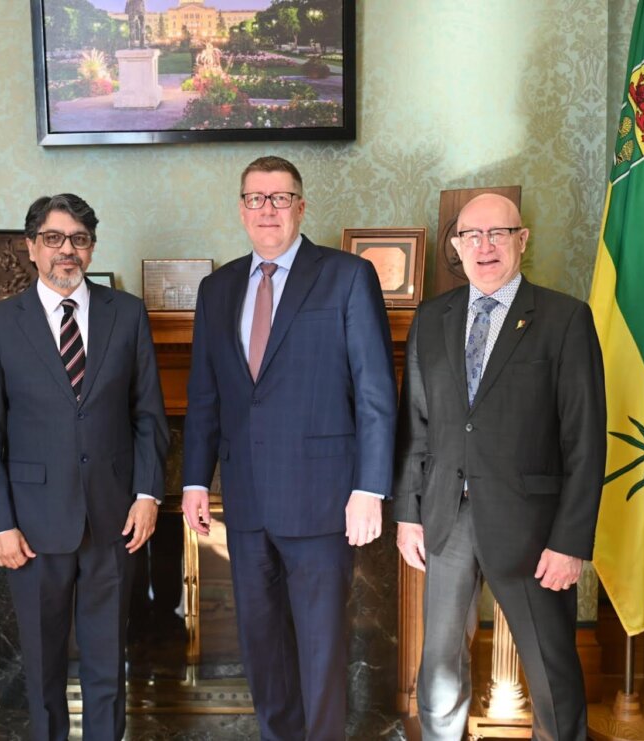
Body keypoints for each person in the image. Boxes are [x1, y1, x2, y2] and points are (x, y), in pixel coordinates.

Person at [181, 155, 397, 740]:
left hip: (324, 501)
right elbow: (204, 395)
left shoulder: (347, 276)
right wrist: (195, 480)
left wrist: (370, 487)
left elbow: (375, 392)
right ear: (241, 210)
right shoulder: (217, 288)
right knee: (261, 645)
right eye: (256, 198)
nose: (268, 209)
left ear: (301, 207)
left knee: (322, 648)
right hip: (247, 503)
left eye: (280, 198)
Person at [393, 193, 606, 741]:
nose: (484, 246)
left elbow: (584, 441)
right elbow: (417, 424)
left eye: (498, 233)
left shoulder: (565, 318)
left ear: (522, 239)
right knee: (439, 670)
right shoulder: (431, 318)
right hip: (446, 519)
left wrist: (571, 542)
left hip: (534, 530)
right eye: (471, 235)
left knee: (551, 672)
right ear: (457, 245)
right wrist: (408, 513)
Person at [0, 193, 169, 741]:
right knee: (42, 668)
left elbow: (148, 415)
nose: (67, 250)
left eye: (79, 239)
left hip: (115, 521)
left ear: (92, 247)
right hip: (31, 527)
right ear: (31, 247)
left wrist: (147, 495)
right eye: (53, 238)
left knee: (108, 665)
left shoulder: (126, 313)